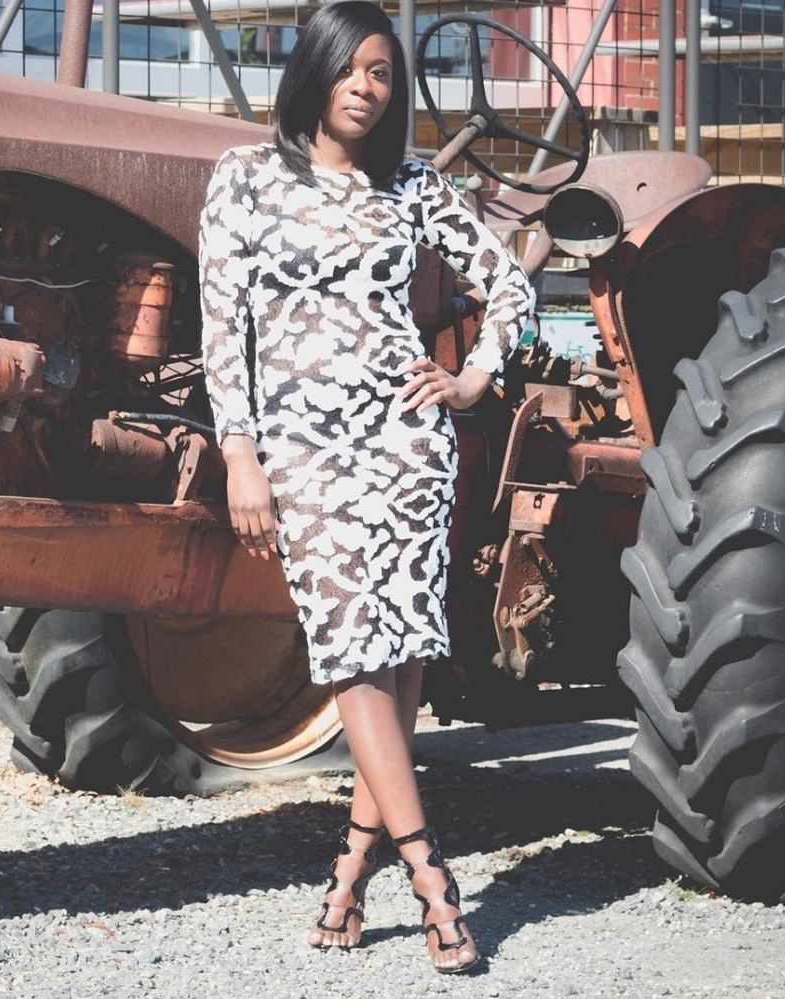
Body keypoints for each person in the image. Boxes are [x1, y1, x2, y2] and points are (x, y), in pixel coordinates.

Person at [198, 0, 534, 974]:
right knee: (351, 651)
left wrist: (473, 376)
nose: (367, 86)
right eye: (353, 67)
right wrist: (240, 455)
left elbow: (506, 282)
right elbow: (227, 334)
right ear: (317, 69)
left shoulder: (411, 183)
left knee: (392, 664)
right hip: (302, 452)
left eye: (384, 74)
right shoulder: (246, 181)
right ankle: (434, 881)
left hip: (407, 447)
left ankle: (348, 881)